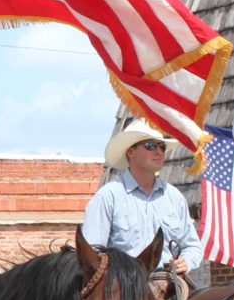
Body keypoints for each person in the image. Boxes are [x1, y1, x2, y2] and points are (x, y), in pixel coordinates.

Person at [81, 119, 203, 278]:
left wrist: (186, 261)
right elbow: (92, 252)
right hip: (124, 285)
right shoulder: (108, 197)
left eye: (162, 146)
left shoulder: (174, 197)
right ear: (131, 152)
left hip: (167, 281)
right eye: (150, 146)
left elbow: (193, 246)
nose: (158, 151)